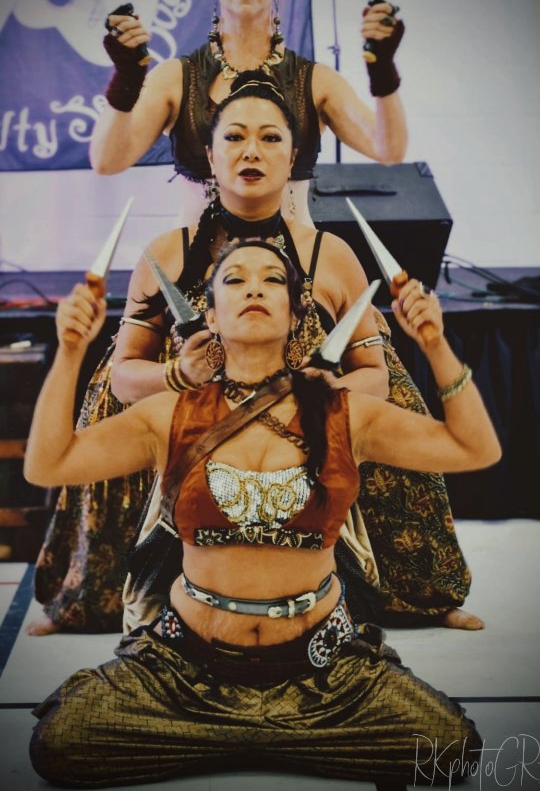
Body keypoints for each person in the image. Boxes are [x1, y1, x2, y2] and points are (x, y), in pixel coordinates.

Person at [25, 241, 499, 789]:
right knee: (61, 743)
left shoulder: (346, 414)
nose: (253, 287)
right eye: (234, 280)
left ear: (298, 311)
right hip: (185, 669)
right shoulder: (168, 415)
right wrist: (68, 351)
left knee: (450, 750)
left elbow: (474, 450)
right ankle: (274, 737)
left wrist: (436, 346)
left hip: (323, 670)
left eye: (272, 280)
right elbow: (48, 464)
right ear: (209, 314)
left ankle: (235, 737)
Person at [29, 75, 478, 636]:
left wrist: (316, 393)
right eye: (235, 137)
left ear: (293, 159)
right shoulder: (166, 253)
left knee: (401, 411)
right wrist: (177, 373)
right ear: (209, 158)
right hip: (191, 417)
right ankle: (89, 599)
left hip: (309, 423)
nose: (251, 151)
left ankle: (421, 595)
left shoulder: (331, 255)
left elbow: (378, 380)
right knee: (107, 414)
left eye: (270, 138)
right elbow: (123, 376)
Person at [89, 0, 407, 226]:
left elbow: (389, 150)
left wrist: (383, 72)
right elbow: (106, 161)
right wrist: (127, 79)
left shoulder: (316, 82)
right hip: (197, 272)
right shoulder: (175, 79)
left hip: (292, 270)